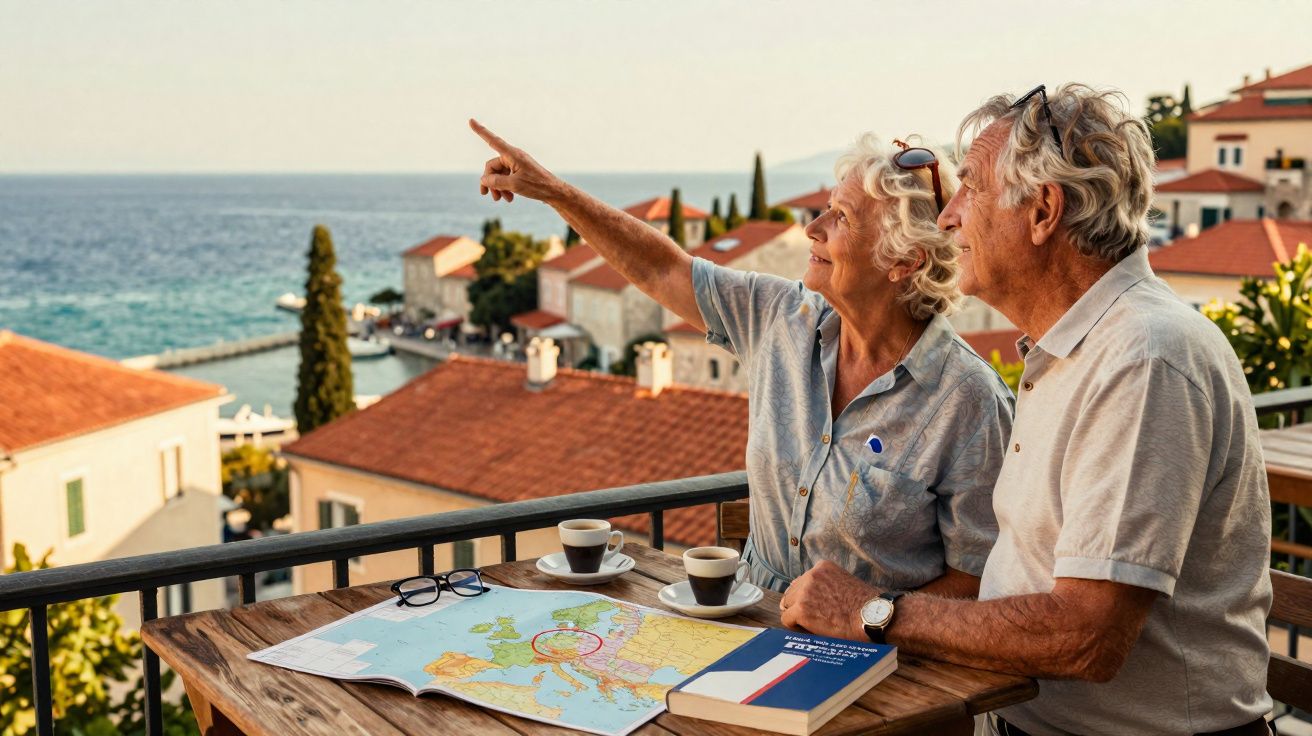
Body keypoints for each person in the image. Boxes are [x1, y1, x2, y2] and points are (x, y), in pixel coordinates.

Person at [779, 85, 1273, 736]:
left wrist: (872, 612)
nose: (947, 216)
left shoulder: (1144, 360)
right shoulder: (1073, 351)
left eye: (970, 191)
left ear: (1043, 211)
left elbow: (1087, 636)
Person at [470, 120, 1014, 598]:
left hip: (884, 668)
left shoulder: (966, 399)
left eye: (841, 218)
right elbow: (662, 269)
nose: (812, 228)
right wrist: (554, 193)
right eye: (822, 208)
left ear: (903, 261)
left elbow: (977, 578)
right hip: (752, 627)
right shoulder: (782, 318)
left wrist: (865, 617)